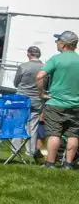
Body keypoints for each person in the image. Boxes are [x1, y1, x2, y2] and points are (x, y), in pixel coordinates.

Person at [36, 31, 79, 169]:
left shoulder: (56, 59)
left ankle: (50, 163)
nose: (56, 43)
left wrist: (41, 93)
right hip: (76, 104)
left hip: (56, 103)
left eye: (58, 41)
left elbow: (39, 76)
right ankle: (68, 164)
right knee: (73, 135)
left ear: (64, 44)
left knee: (55, 134)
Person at [13, 46, 46, 159]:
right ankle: (30, 151)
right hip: (37, 100)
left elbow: (16, 83)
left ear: (29, 54)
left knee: (19, 123)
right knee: (33, 127)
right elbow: (47, 85)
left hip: (22, 99)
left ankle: (15, 149)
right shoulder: (45, 67)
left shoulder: (23, 66)